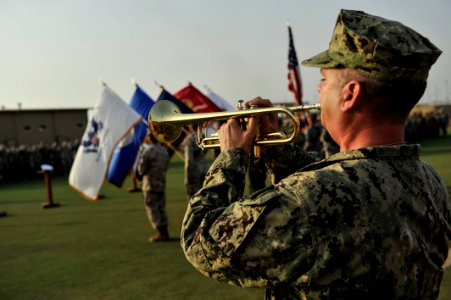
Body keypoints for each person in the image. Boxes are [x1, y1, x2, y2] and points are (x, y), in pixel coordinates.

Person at [181, 9, 451, 299]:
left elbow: (200, 242)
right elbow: (351, 181)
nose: (319, 89)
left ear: (350, 95)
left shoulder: (309, 198)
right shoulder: (430, 182)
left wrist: (231, 157)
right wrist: (276, 151)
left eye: (324, 79)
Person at [137, 133, 170, 242]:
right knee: (161, 207)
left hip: (150, 184)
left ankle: (161, 233)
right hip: (161, 182)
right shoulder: (164, 151)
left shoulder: (148, 151)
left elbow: (141, 169)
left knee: (152, 208)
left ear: (149, 139)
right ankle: (165, 231)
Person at [184, 125, 210, 198]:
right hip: (205, 168)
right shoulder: (204, 136)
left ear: (191, 127)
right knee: (205, 196)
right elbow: (205, 150)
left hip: (195, 171)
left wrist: (187, 177)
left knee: (195, 197)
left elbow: (189, 160)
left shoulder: (190, 139)